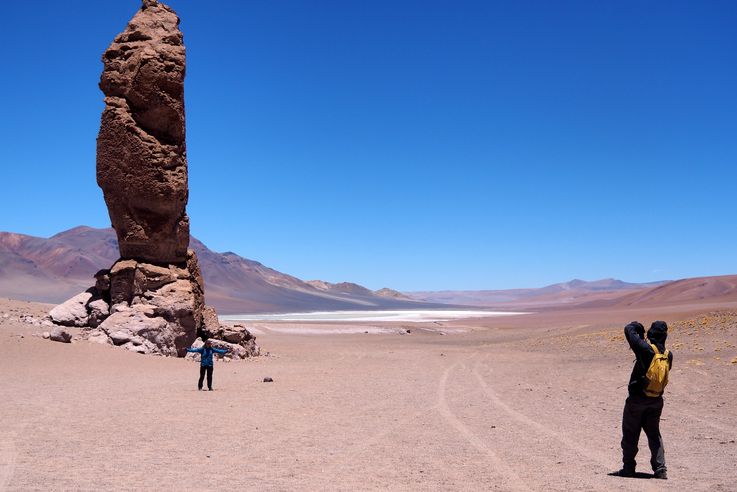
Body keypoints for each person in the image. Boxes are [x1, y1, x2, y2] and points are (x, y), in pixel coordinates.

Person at [613, 320, 673, 479]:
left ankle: (628, 468)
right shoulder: (668, 355)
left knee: (630, 432)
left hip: (637, 400)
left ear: (651, 334)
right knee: (654, 434)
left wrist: (638, 328)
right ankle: (660, 469)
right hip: (656, 401)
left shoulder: (646, 350)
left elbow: (628, 330)